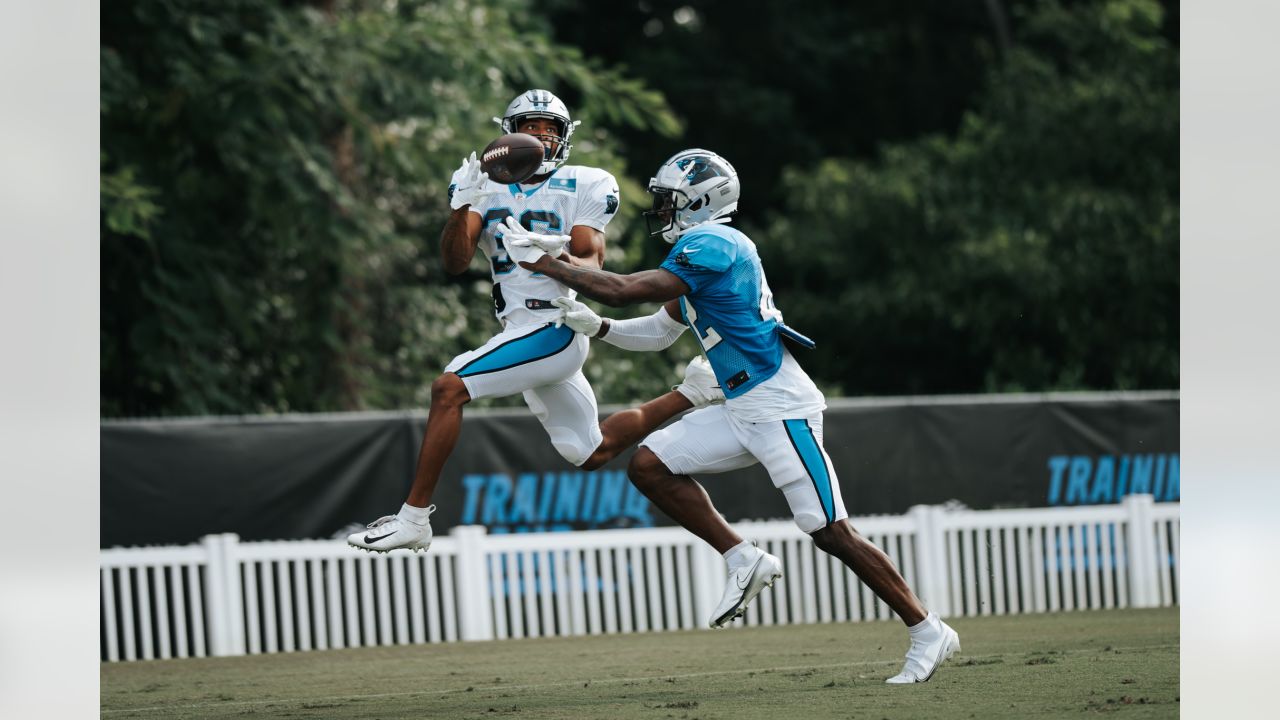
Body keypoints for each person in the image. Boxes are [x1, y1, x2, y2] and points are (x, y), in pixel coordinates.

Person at [513, 148, 961, 684]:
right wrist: (598, 328)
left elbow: (626, 289)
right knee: (650, 465)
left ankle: (928, 628)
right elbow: (659, 330)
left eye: (668, 200)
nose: (660, 210)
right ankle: (743, 557)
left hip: (779, 406)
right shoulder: (699, 251)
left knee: (830, 530)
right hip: (741, 405)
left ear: (701, 201)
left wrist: (548, 264)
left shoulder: (714, 242)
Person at [347, 91, 722, 554]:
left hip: (555, 327)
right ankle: (692, 392)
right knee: (588, 451)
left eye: (551, 128)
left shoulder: (586, 182)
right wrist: (462, 205)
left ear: (565, 137)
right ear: (508, 134)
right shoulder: (485, 184)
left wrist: (553, 255)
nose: (541, 136)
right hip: (517, 331)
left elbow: (592, 264)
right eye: (531, 126)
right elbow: (455, 261)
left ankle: (414, 518)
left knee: (449, 388)